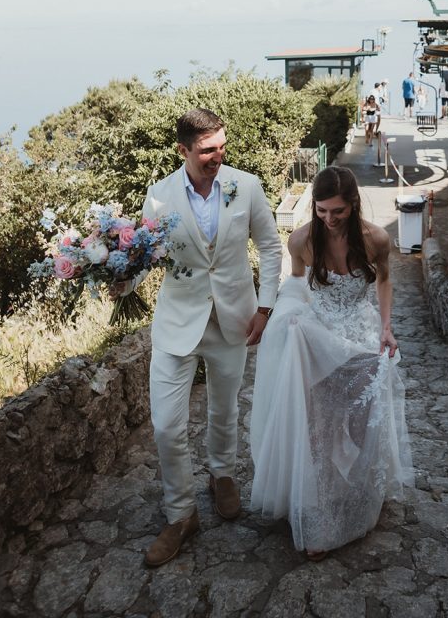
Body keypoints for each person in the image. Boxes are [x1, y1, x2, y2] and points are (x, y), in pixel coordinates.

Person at [112, 108, 282, 567]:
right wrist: (120, 281)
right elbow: (146, 256)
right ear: (183, 149)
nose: (217, 156)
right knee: (167, 427)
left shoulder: (247, 185)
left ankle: (222, 475)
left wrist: (265, 306)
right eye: (207, 150)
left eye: (222, 146)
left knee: (225, 411)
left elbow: (270, 246)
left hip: (234, 319)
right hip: (177, 322)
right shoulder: (158, 196)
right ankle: (181, 514)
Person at [250, 166, 413, 560]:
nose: (329, 218)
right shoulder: (302, 240)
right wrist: (290, 321)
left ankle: (358, 500)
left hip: (362, 341)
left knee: (360, 427)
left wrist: (386, 327)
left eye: (337, 211)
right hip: (319, 343)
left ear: (353, 204)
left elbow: (384, 281)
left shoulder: (376, 239)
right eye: (322, 210)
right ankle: (321, 515)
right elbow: (294, 287)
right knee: (320, 429)